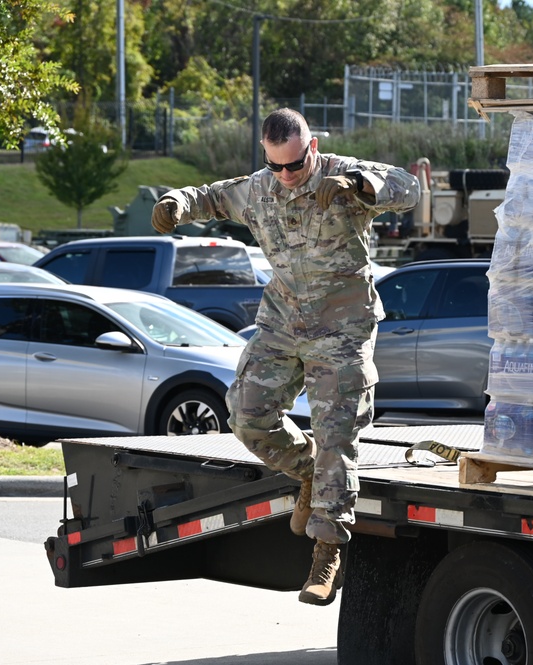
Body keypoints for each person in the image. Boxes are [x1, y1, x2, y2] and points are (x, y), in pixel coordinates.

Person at [150, 108, 420, 606]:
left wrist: (359, 186)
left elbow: (409, 189)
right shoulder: (258, 189)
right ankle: (308, 470)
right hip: (282, 319)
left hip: (342, 324)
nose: (286, 176)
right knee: (245, 416)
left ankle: (327, 551)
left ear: (311, 147)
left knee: (338, 431)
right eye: (275, 166)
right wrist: (176, 202)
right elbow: (210, 196)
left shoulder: (343, 174)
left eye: (293, 165)